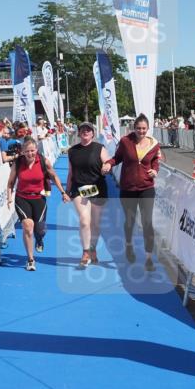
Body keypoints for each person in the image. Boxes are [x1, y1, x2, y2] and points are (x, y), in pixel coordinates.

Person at [103, 114, 161, 271]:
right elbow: (117, 158)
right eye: (138, 128)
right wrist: (108, 164)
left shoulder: (154, 144)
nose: (141, 131)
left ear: (148, 129)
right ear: (133, 128)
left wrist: (155, 171)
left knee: (147, 222)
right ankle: (128, 245)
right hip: (128, 188)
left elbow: (155, 161)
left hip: (147, 188)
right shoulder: (125, 142)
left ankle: (149, 258)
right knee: (130, 221)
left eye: (143, 129)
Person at [7, 136, 68, 271]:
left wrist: (63, 192)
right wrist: (9, 197)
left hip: (39, 198)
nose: (30, 154)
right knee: (28, 226)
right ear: (23, 151)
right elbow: (10, 182)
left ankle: (39, 239)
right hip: (22, 198)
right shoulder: (18, 163)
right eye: (27, 151)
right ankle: (30, 259)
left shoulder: (43, 161)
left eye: (32, 151)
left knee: (40, 229)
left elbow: (54, 176)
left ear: (36, 150)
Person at [66, 122, 111, 267]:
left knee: (95, 224)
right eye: (82, 130)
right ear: (79, 133)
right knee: (85, 220)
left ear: (93, 133)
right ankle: (85, 252)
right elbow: (71, 173)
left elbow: (108, 162)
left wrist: (107, 166)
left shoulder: (99, 148)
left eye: (88, 130)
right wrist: (67, 191)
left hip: (98, 188)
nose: (85, 132)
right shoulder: (72, 151)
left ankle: (93, 249)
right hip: (79, 189)